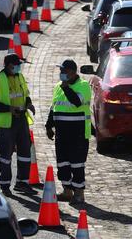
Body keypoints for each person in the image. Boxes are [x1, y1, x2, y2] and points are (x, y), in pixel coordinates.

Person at [0, 53, 36, 196]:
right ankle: (5, 185)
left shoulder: (19, 76)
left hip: (21, 119)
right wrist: (9, 109)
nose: (19, 67)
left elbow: (25, 94)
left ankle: (22, 183)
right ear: (9, 65)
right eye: (17, 64)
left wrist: (29, 103)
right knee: (6, 154)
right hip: (7, 122)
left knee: (25, 152)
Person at [45, 59, 92, 205]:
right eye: (61, 71)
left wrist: (66, 87)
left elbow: (76, 102)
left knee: (77, 164)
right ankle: (67, 191)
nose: (61, 74)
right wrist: (49, 125)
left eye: (64, 71)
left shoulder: (83, 85)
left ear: (72, 72)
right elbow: (54, 107)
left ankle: (79, 193)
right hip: (62, 133)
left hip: (78, 134)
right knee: (62, 164)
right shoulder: (58, 87)